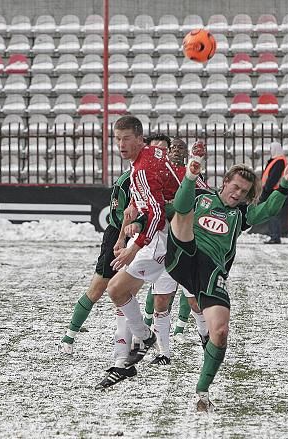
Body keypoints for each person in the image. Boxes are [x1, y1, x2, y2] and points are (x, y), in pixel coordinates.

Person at [164, 144, 288, 411]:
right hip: (183, 254)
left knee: (220, 331)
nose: (237, 194)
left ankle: (202, 394)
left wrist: (285, 182)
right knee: (184, 214)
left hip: (211, 271)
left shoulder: (241, 214)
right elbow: (178, 207)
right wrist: (191, 177)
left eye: (244, 192)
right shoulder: (202, 197)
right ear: (225, 181)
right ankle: (192, 169)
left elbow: (269, 210)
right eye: (235, 187)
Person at [95, 116, 186, 389]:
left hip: (164, 237)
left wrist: (134, 247)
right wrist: (129, 222)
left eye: (126, 139)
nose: (120, 144)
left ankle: (144, 339)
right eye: (117, 138)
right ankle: (123, 361)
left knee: (116, 291)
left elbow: (157, 212)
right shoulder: (148, 157)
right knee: (122, 294)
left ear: (139, 139)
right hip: (166, 232)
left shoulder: (142, 167)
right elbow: (151, 194)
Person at [60, 133, 133, 355]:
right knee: (99, 287)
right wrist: (128, 233)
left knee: (146, 290)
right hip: (120, 236)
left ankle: (144, 341)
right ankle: (69, 336)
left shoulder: (159, 180)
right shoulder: (125, 181)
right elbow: (120, 215)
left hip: (146, 239)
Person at [142, 137, 209, 365]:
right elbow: (155, 206)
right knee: (161, 301)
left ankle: (205, 338)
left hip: (188, 247)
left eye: (181, 148)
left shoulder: (192, 176)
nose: (176, 152)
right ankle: (164, 353)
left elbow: (207, 198)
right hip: (164, 247)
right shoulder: (158, 175)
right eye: (173, 148)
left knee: (195, 302)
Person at [261, 141, 288, 244]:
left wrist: (267, 188)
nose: (270, 150)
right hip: (274, 190)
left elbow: (273, 178)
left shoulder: (279, 161)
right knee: (272, 213)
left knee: (274, 214)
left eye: (271, 148)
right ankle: (273, 235)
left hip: (275, 191)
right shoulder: (276, 160)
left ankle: (275, 236)